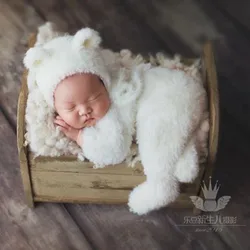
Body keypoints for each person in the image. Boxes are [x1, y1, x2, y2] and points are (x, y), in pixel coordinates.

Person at [23, 25, 206, 215]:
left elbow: (114, 150)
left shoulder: (113, 106)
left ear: (105, 84)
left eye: (93, 98)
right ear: (55, 108)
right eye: (71, 108)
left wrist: (80, 137)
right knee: (174, 136)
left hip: (169, 97)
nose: (85, 110)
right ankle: (185, 156)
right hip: (183, 89)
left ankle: (161, 185)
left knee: (156, 135)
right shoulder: (96, 85)